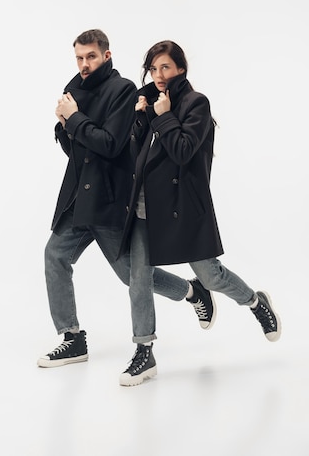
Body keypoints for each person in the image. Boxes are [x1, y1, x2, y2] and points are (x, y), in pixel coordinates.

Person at [37, 30, 216, 368]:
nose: (84, 64)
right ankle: (72, 337)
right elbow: (75, 153)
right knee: (54, 256)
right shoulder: (73, 89)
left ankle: (192, 291)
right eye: (79, 57)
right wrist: (64, 126)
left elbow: (110, 144)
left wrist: (74, 119)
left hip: (109, 199)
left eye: (91, 56)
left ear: (106, 55)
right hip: (79, 198)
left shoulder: (122, 90)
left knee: (131, 277)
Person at [119, 40, 281, 387]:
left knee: (212, 276)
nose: (158, 75)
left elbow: (182, 151)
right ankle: (144, 352)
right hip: (145, 208)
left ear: (180, 68)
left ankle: (255, 302)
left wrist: (162, 116)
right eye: (153, 68)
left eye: (165, 67)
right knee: (138, 281)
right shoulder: (151, 103)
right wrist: (140, 117)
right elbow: (137, 154)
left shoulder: (196, 103)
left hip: (182, 209)